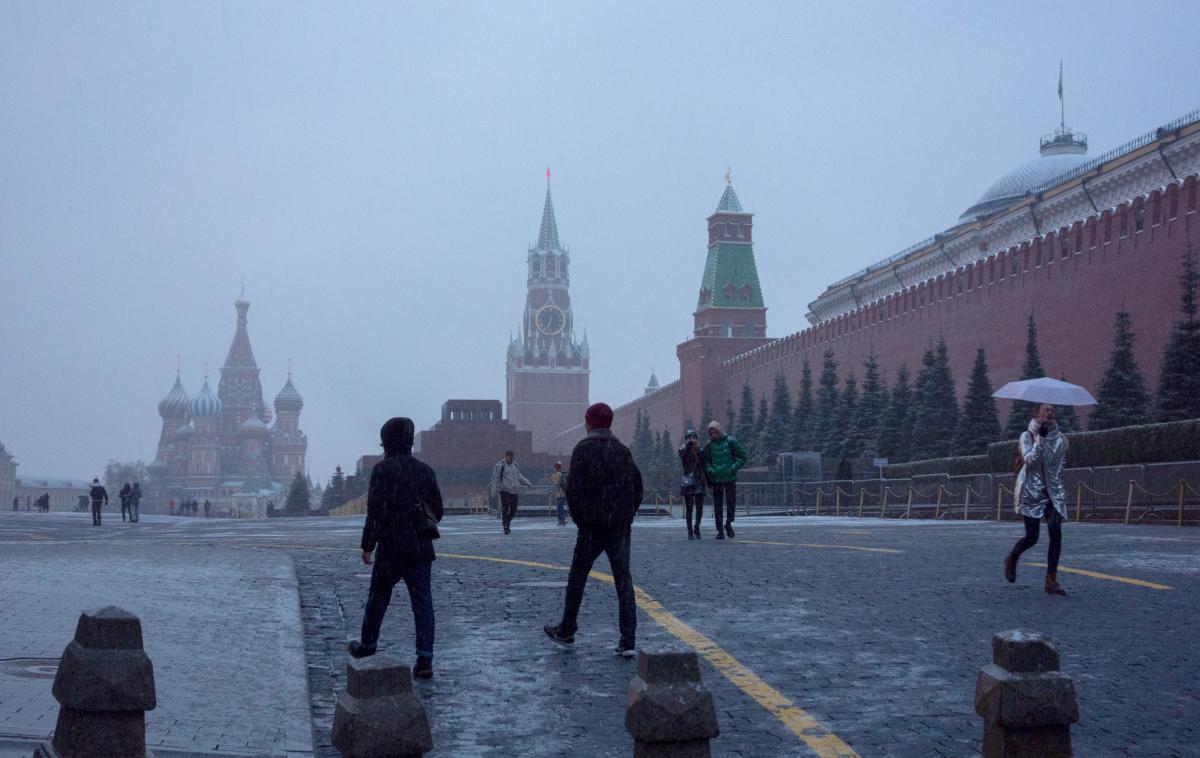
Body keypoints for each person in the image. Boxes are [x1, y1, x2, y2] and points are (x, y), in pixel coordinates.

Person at [544, 402, 643, 657]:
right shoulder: (622, 450)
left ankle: (567, 629)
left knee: (578, 577)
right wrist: (625, 515)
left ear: (589, 422)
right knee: (624, 580)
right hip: (618, 527)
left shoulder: (583, 449)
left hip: (592, 527)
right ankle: (628, 638)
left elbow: (573, 489)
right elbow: (637, 486)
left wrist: (582, 519)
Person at [349, 417, 444, 679]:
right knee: (423, 604)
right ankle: (425, 659)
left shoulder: (382, 471)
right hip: (420, 549)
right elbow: (438, 509)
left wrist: (368, 545)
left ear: (387, 443)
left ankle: (367, 646)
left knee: (378, 599)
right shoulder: (425, 471)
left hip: (390, 549)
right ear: (410, 441)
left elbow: (374, 513)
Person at [1005, 403, 1069, 595]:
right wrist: (1040, 440)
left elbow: (1060, 464)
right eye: (1045, 410)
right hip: (1032, 491)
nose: (1049, 413)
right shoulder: (1027, 436)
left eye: (1052, 410)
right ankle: (1012, 558)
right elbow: (1030, 461)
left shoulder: (1060, 438)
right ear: (1037, 413)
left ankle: (1051, 581)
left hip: (1052, 492)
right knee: (1032, 537)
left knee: (1056, 532)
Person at [701, 421, 747, 539]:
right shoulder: (709, 445)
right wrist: (710, 470)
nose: (713, 435)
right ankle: (720, 530)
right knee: (718, 505)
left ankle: (728, 523)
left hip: (729, 477)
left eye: (715, 432)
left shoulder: (731, 442)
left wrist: (733, 468)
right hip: (716, 479)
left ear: (719, 431)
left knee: (731, 503)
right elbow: (705, 461)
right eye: (711, 433)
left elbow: (743, 456)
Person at [490, 450, 531, 535]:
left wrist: (527, 482)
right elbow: (495, 478)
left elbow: (519, 475)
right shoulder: (500, 465)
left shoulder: (515, 465)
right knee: (505, 509)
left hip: (514, 491)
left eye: (513, 457)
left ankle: (506, 522)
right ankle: (506, 527)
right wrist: (493, 490)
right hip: (505, 490)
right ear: (506, 456)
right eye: (510, 457)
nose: (512, 459)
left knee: (513, 510)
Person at [678, 429, 707, 540]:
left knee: (699, 508)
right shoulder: (682, 450)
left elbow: (704, 462)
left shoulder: (701, 449)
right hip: (688, 482)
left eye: (693, 437)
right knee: (689, 508)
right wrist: (689, 447)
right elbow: (685, 461)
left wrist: (697, 449)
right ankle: (690, 531)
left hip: (699, 480)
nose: (692, 440)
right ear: (686, 440)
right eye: (689, 438)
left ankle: (697, 527)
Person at [550, 462, 568, 526]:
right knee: (561, 507)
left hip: (560, 494)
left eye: (554, 468)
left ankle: (562, 520)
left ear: (556, 468)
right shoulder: (561, 474)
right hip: (562, 493)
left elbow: (557, 483)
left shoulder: (558, 474)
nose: (553, 469)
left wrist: (552, 479)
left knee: (559, 508)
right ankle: (563, 519)